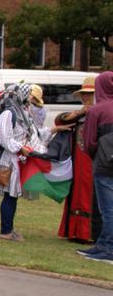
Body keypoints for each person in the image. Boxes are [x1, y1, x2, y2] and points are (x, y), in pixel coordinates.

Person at [0, 84, 68, 243]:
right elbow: (4, 138)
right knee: (10, 196)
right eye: (28, 95)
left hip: (19, 160)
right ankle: (6, 231)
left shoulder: (22, 113)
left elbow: (35, 134)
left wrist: (56, 129)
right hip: (10, 161)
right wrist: (20, 148)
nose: (30, 99)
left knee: (13, 196)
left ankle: (8, 229)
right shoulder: (8, 114)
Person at [58, 75, 99, 244]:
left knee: (90, 194)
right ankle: (75, 231)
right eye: (84, 94)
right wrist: (81, 112)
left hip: (93, 160)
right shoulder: (79, 114)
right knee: (77, 192)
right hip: (77, 160)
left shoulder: (101, 113)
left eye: (89, 94)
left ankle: (87, 233)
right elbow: (60, 119)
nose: (86, 97)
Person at [80, 71, 113, 263]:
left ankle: (107, 247)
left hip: (104, 164)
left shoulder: (96, 110)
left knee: (107, 209)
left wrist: (95, 156)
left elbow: (89, 142)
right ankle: (102, 243)